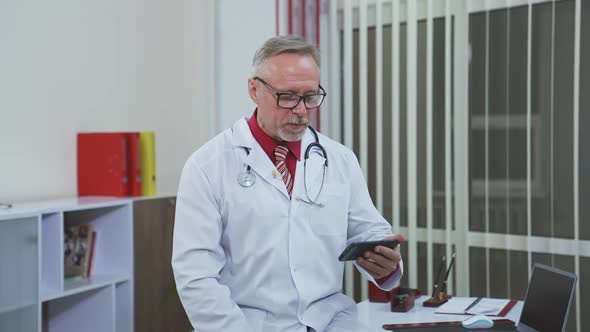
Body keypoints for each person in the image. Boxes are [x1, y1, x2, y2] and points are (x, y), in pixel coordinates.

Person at [172, 35, 404, 332]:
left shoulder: (340, 159)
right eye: (288, 96)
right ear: (254, 89)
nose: (301, 110)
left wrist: (386, 266)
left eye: (310, 97)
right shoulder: (207, 166)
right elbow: (196, 276)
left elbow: (369, 231)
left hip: (331, 322)